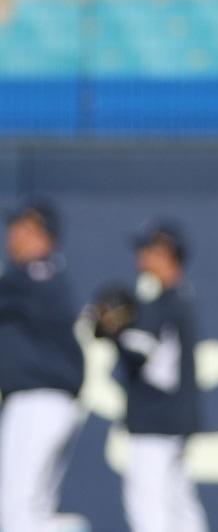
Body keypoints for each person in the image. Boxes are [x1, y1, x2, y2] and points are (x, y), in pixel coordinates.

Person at [111, 222, 206, 532]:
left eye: (147, 250)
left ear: (165, 254)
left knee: (148, 506)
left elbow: (139, 354)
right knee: (179, 505)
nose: (140, 257)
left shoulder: (163, 305)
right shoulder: (180, 298)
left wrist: (114, 331)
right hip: (173, 421)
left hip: (156, 421)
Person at [0, 199, 83, 532]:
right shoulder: (28, 279)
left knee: (16, 505)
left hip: (39, 400)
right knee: (31, 507)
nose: (14, 235)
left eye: (25, 228)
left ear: (44, 237)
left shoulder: (36, 273)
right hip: (42, 401)